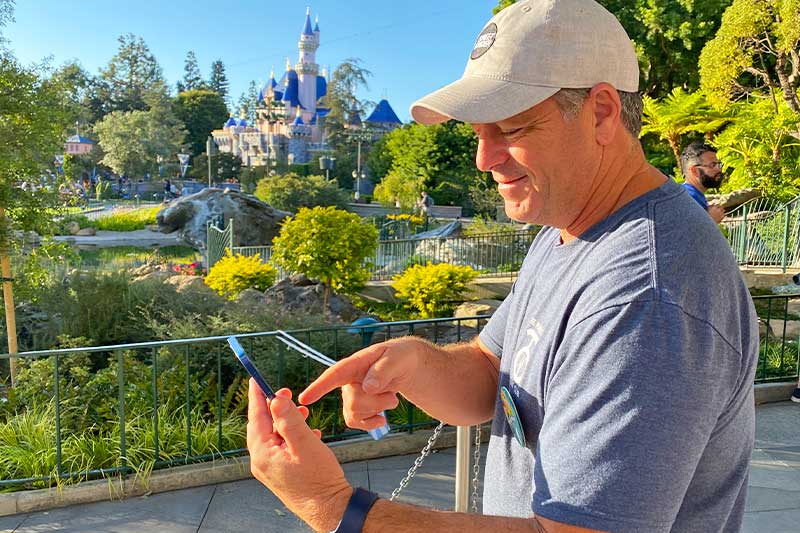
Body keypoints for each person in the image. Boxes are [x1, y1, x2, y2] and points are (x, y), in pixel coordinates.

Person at [245, 1, 759, 532]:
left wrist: (333, 508)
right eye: (477, 133)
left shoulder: (649, 294)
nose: (483, 159)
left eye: (511, 128)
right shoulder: (570, 229)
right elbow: (494, 374)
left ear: (602, 111)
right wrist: (414, 363)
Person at [679, 142, 727, 223]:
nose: (719, 169)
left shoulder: (692, 195)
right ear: (695, 171)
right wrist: (709, 219)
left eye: (719, 164)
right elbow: (681, 232)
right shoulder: (687, 199)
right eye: (713, 165)